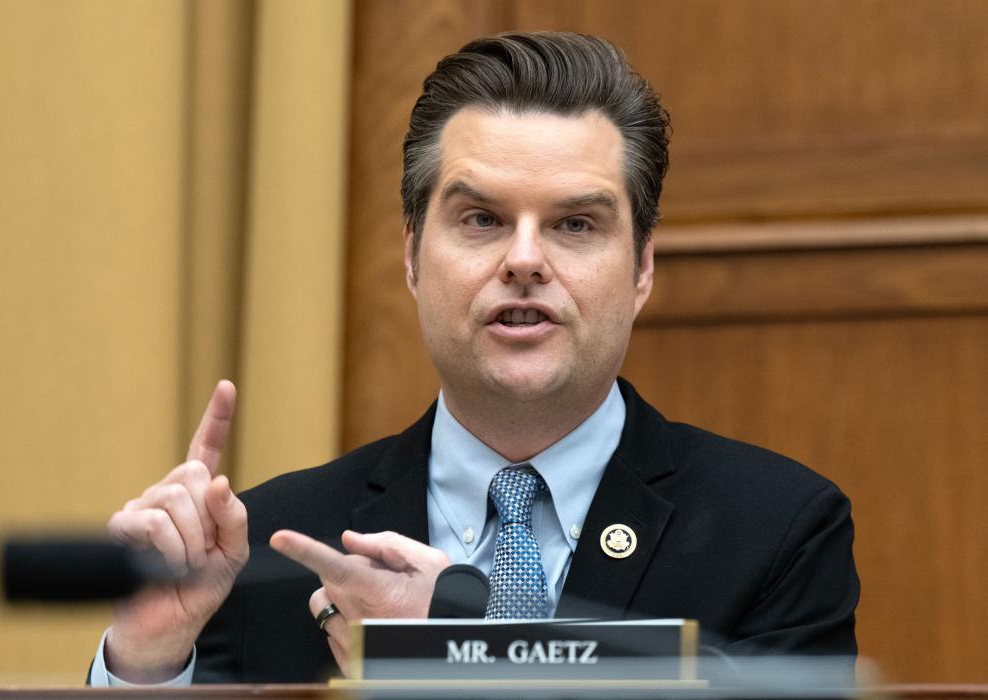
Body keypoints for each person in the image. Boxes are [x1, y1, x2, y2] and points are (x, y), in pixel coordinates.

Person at [89, 32, 859, 685]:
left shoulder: (777, 532)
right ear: (415, 257)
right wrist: (146, 666)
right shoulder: (275, 544)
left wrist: (469, 652)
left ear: (643, 269)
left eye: (576, 225)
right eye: (482, 218)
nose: (525, 260)